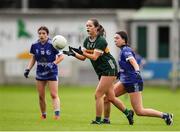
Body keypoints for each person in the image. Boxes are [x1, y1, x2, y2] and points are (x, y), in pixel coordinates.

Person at [63, 18, 134, 125]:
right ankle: (127, 113)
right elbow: (83, 58)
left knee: (98, 95)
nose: (87, 28)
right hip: (101, 71)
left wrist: (82, 52)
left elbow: (94, 57)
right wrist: (74, 54)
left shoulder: (101, 41)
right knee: (110, 97)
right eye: (86, 26)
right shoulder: (87, 41)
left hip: (109, 68)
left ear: (96, 28)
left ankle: (98, 120)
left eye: (90, 26)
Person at [103, 31, 173, 125]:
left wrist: (137, 71)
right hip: (124, 81)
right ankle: (107, 120)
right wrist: (119, 74)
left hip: (133, 81)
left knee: (139, 111)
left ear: (124, 40)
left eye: (117, 38)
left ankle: (165, 116)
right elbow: (126, 66)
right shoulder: (122, 51)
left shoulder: (126, 50)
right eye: (114, 38)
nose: (115, 40)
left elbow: (132, 61)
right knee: (107, 98)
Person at [24, 26, 64, 120]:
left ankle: (57, 115)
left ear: (47, 34)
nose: (41, 35)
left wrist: (53, 64)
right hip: (40, 73)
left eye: (43, 33)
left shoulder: (53, 44)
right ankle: (43, 115)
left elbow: (61, 57)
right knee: (41, 96)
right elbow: (33, 58)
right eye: (40, 33)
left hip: (51, 72)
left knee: (54, 95)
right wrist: (28, 69)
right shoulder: (34, 45)